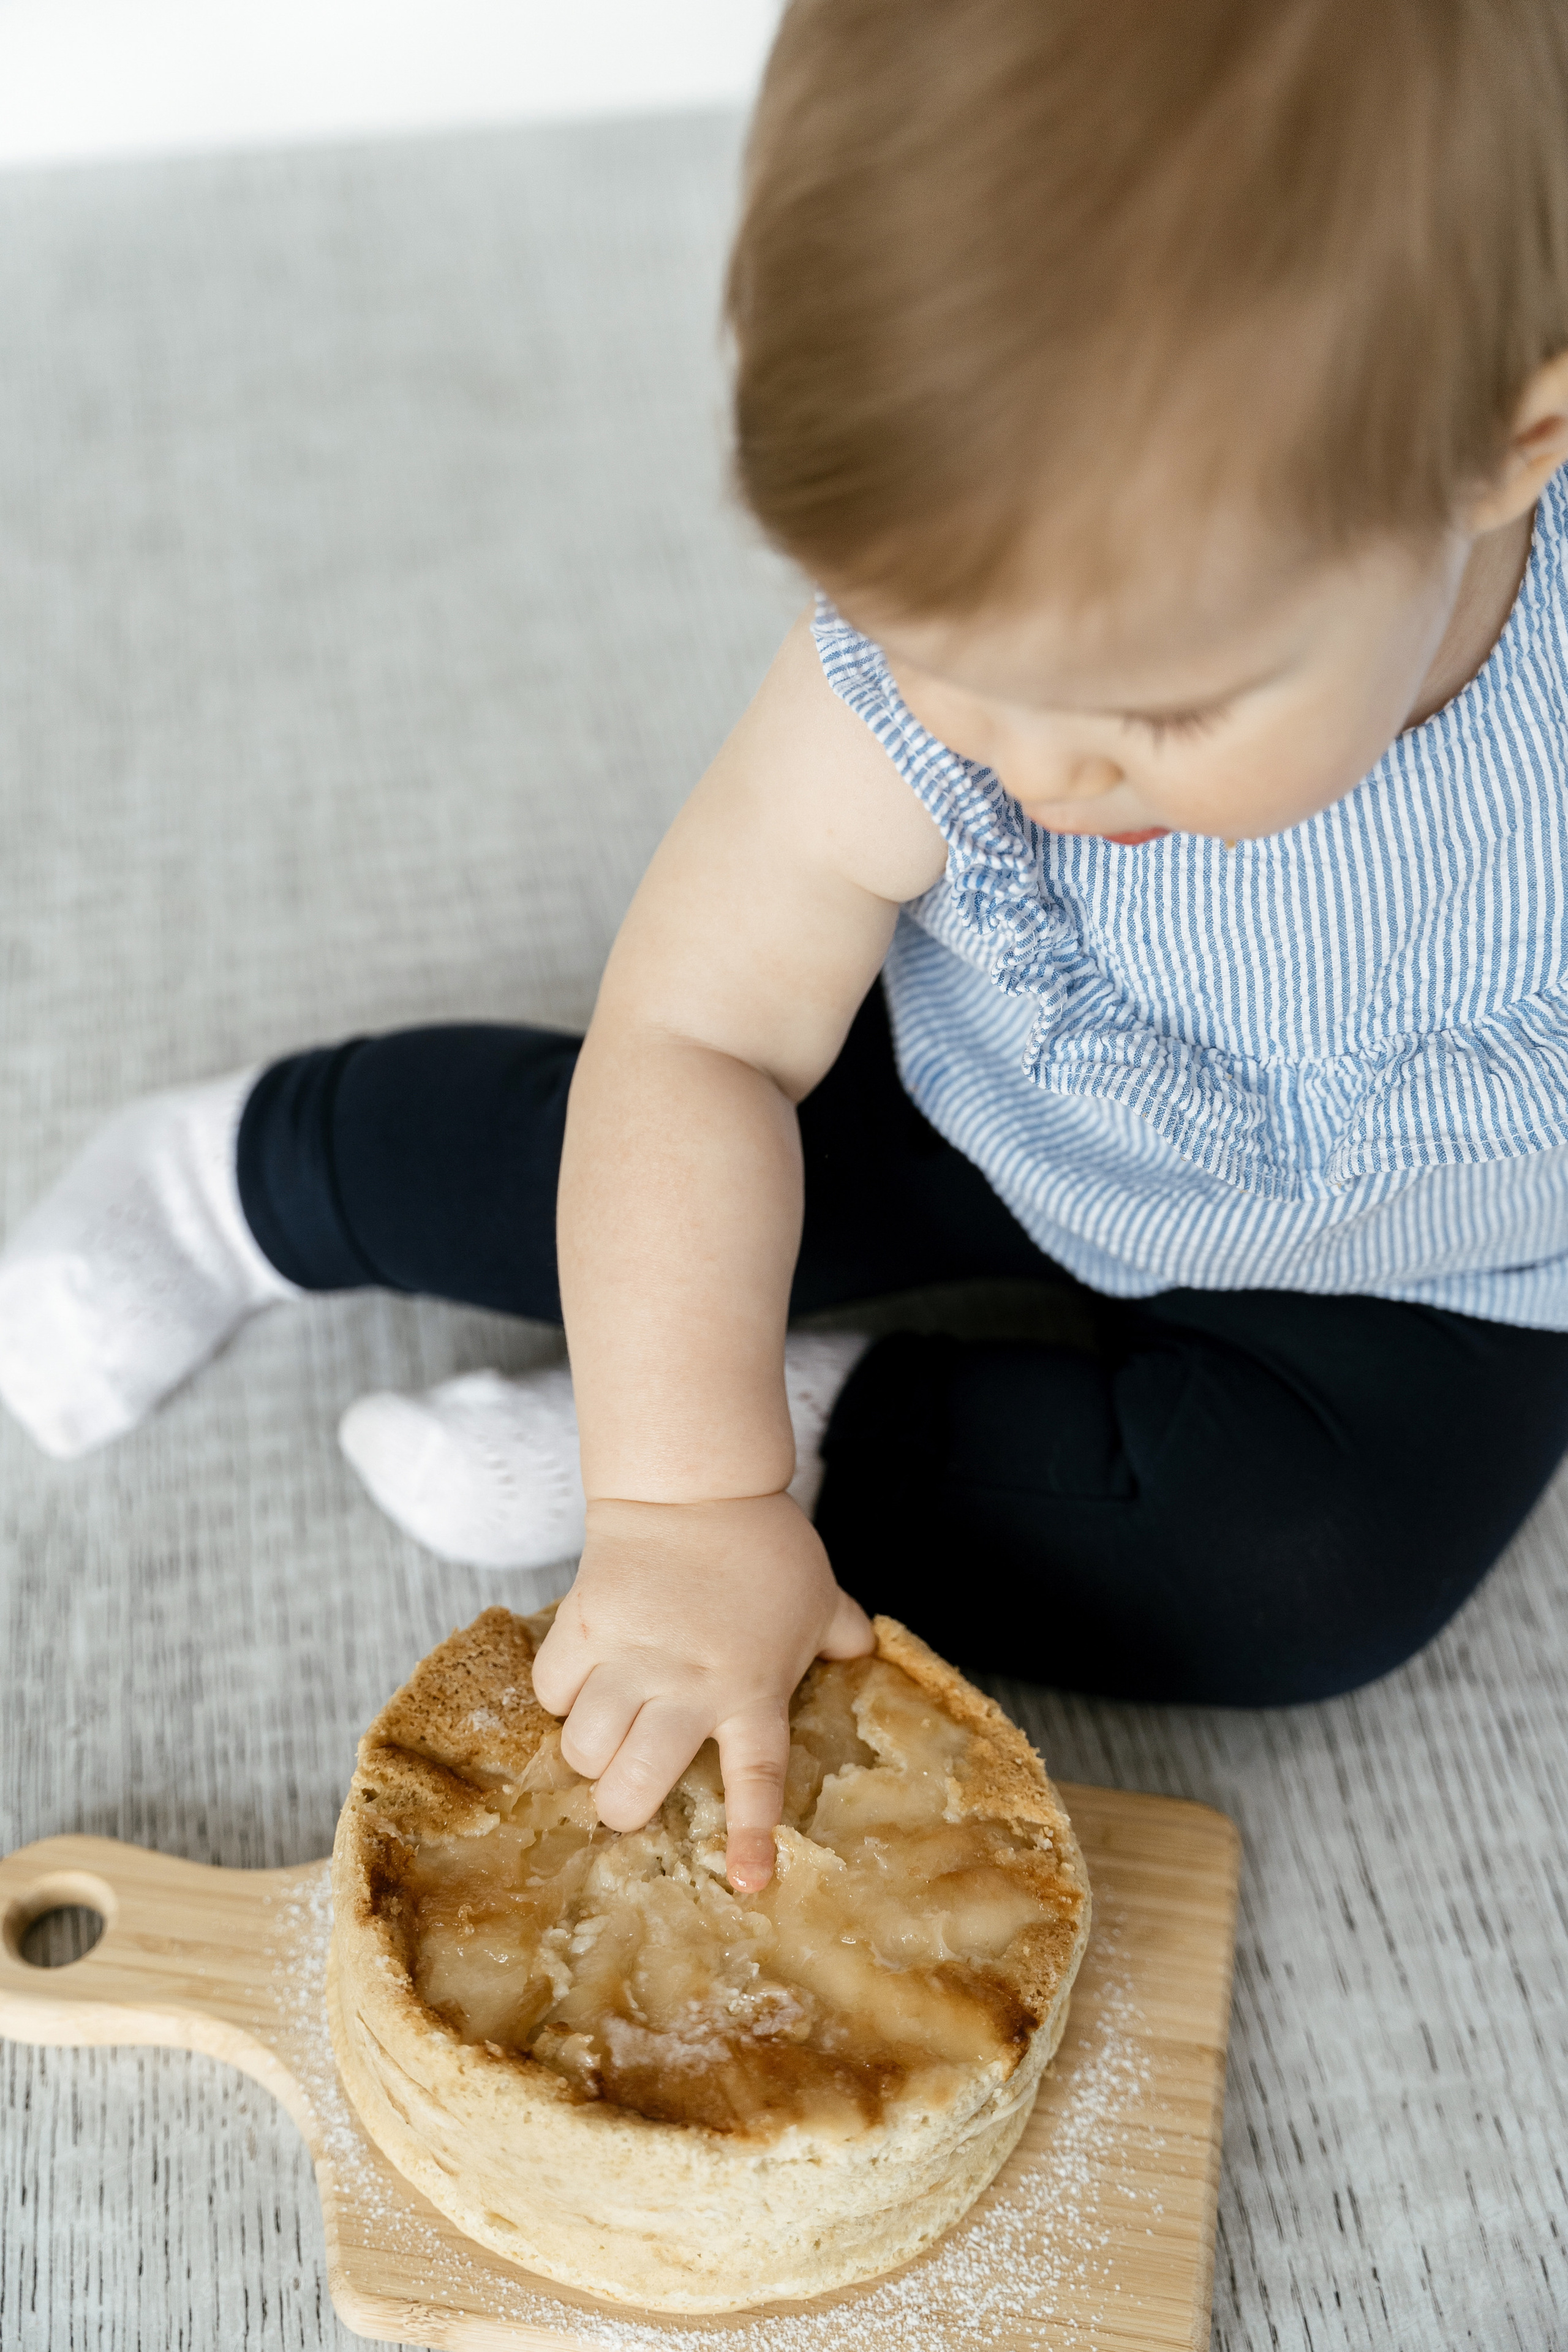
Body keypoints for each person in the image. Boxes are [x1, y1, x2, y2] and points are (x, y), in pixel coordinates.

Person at [5, 0, 1568, 1894]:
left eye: (1159, 707)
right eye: (937, 655)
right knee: (605, 1165)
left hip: (1429, 1258)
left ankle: (836, 1437)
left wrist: (744, 1484)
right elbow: (701, 1034)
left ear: (1510, 442)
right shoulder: (973, 685)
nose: (1044, 767)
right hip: (993, 1078)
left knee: (1314, 1578)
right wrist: (676, 1491)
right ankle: (248, 1176)